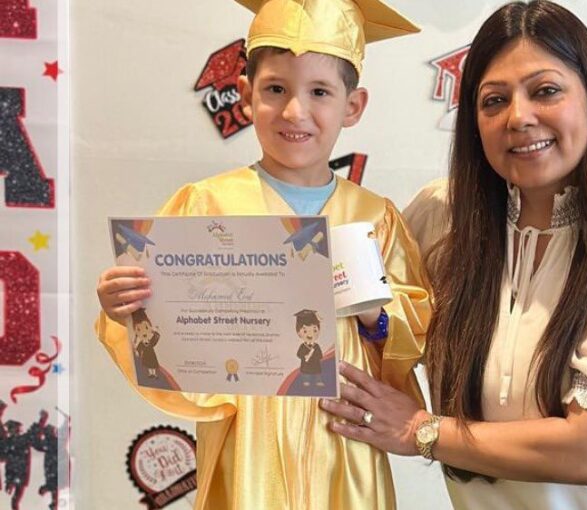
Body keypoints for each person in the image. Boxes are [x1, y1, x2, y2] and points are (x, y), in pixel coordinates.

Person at [319, 1, 587, 508]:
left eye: (546, 91)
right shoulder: (441, 216)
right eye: (494, 101)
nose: (518, 117)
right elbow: (360, 326)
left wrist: (420, 430)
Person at [94, 1, 431, 508]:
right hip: (248, 442)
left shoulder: (373, 217)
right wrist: (125, 306)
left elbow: (416, 327)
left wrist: (374, 313)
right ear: (246, 95)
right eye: (275, 89)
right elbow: (164, 332)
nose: (295, 111)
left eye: (320, 92)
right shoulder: (207, 204)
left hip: (343, 443)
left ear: (353, 106)